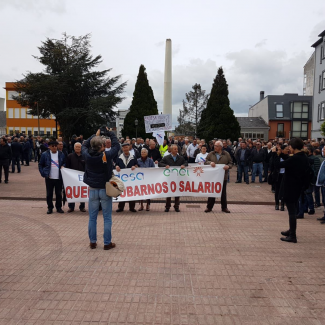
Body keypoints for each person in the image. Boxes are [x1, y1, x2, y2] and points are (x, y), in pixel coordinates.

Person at [82, 128, 119, 250]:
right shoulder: (106, 155)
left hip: (92, 189)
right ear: (102, 146)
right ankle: (107, 243)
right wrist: (109, 133)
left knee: (92, 217)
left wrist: (94, 135)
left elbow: (85, 144)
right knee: (107, 217)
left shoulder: (87, 155)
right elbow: (116, 145)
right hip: (104, 189)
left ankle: (93, 242)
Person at [273, 138, 309, 243]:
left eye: (290, 147)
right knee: (292, 209)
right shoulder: (303, 157)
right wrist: (281, 155)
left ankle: (293, 235)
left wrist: (276, 154)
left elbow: (278, 165)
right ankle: (291, 230)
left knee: (292, 211)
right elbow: (288, 160)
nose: (289, 148)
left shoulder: (295, 159)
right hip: (298, 186)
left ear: (293, 147)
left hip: (290, 187)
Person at [204, 141, 233, 213]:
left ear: (220, 147)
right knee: (212, 191)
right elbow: (205, 161)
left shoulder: (226, 154)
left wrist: (228, 166)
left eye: (216, 146)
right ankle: (209, 207)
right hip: (213, 177)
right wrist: (210, 163)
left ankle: (224, 208)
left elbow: (231, 163)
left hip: (223, 176)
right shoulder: (211, 154)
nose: (215, 147)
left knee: (223, 192)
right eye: (214, 146)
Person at [38, 140, 66, 214]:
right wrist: (43, 173)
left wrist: (64, 166)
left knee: (58, 194)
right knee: (49, 194)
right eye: (52, 146)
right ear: (49, 147)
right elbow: (40, 164)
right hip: (49, 177)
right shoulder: (45, 154)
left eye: (55, 146)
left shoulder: (61, 154)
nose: (54, 147)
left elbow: (64, 162)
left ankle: (58, 207)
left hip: (58, 177)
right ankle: (50, 207)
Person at [159, 144, 188, 212]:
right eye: (175, 149)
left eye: (177, 149)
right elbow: (160, 164)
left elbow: (186, 162)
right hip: (169, 178)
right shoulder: (166, 157)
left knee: (177, 193)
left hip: (178, 178)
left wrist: (184, 165)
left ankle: (176, 206)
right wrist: (165, 165)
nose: (176, 150)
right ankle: (167, 206)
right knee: (168, 193)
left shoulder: (180, 158)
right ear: (171, 150)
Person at [115, 143, 138, 212]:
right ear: (122, 149)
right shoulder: (119, 157)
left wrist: (135, 166)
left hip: (131, 179)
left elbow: (137, 164)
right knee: (122, 191)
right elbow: (116, 165)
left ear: (129, 148)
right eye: (124, 148)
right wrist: (116, 166)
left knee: (131, 191)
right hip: (122, 179)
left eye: (126, 147)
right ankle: (121, 207)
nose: (125, 149)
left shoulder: (133, 157)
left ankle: (132, 207)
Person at [66, 142, 86, 213]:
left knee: (82, 191)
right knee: (72, 192)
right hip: (72, 178)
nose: (78, 148)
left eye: (79, 147)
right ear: (74, 148)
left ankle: (82, 206)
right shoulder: (70, 156)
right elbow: (67, 167)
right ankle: (71, 207)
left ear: (81, 148)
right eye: (76, 147)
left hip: (82, 178)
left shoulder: (84, 156)